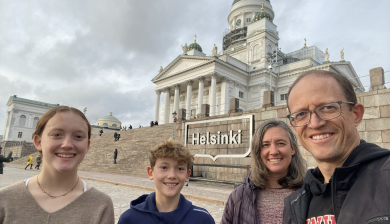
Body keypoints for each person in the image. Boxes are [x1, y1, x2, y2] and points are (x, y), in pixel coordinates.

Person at [283, 70, 390, 224]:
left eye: (327, 108)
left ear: (356, 114)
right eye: (301, 114)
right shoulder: (294, 203)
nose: (314, 123)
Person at [0, 106, 115, 223]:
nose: (67, 144)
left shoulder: (101, 205)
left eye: (78, 136)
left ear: (87, 145)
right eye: (56, 134)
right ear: (38, 142)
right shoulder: (4, 200)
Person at [221, 119, 306, 224]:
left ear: (292, 149)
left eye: (280, 143)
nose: (274, 151)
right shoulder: (238, 197)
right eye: (265, 145)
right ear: (258, 152)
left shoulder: (311, 194)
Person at [118, 138, 215, 224]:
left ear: (187, 175)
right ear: (150, 173)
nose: (172, 175)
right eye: (164, 167)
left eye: (180, 169)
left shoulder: (203, 219)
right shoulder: (129, 219)